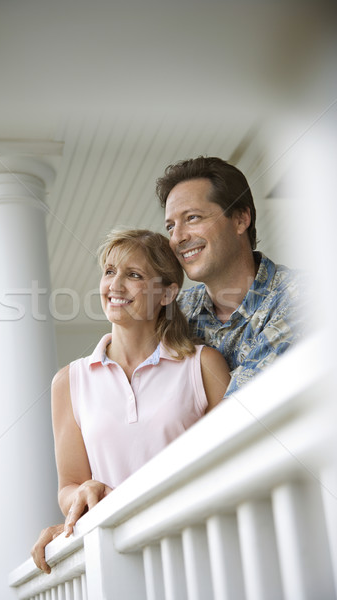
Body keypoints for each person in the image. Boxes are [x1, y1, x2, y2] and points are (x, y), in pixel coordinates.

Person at [32, 228, 230, 574]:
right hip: (118, 562)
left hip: (196, 550)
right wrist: (81, 495)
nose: (115, 285)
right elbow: (69, 486)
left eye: (134, 275)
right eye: (110, 271)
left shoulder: (202, 365)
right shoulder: (69, 381)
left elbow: (231, 461)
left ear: (167, 293)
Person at [157, 156, 305, 397]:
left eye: (192, 217)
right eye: (170, 226)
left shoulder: (300, 296)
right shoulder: (177, 311)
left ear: (240, 219)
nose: (178, 237)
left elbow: (242, 411)